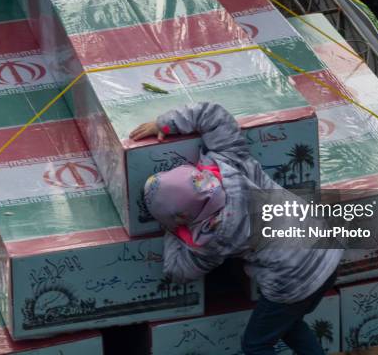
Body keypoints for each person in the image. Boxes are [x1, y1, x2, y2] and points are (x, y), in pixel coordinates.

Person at [130, 102, 343, 355]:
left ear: (182, 218)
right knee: (287, 323)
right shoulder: (230, 160)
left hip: (294, 279)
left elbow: (178, 271)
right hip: (327, 249)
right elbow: (211, 114)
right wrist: (164, 123)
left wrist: (173, 230)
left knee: (256, 345)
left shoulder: (211, 239)